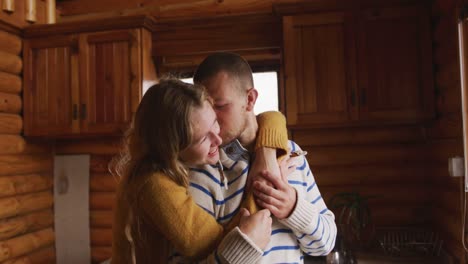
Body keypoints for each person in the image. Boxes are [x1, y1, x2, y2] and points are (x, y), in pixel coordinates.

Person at [110, 78, 290, 263]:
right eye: (203, 139)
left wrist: (266, 153)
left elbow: (271, 117)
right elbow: (220, 245)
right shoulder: (152, 185)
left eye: (214, 123)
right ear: (172, 148)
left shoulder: (181, 161)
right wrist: (268, 180)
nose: (218, 140)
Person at [188, 52, 338, 263]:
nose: (211, 117)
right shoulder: (201, 169)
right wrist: (242, 246)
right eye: (205, 108)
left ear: (250, 100)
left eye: (220, 106)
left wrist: (294, 208)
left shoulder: (292, 154)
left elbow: (327, 243)